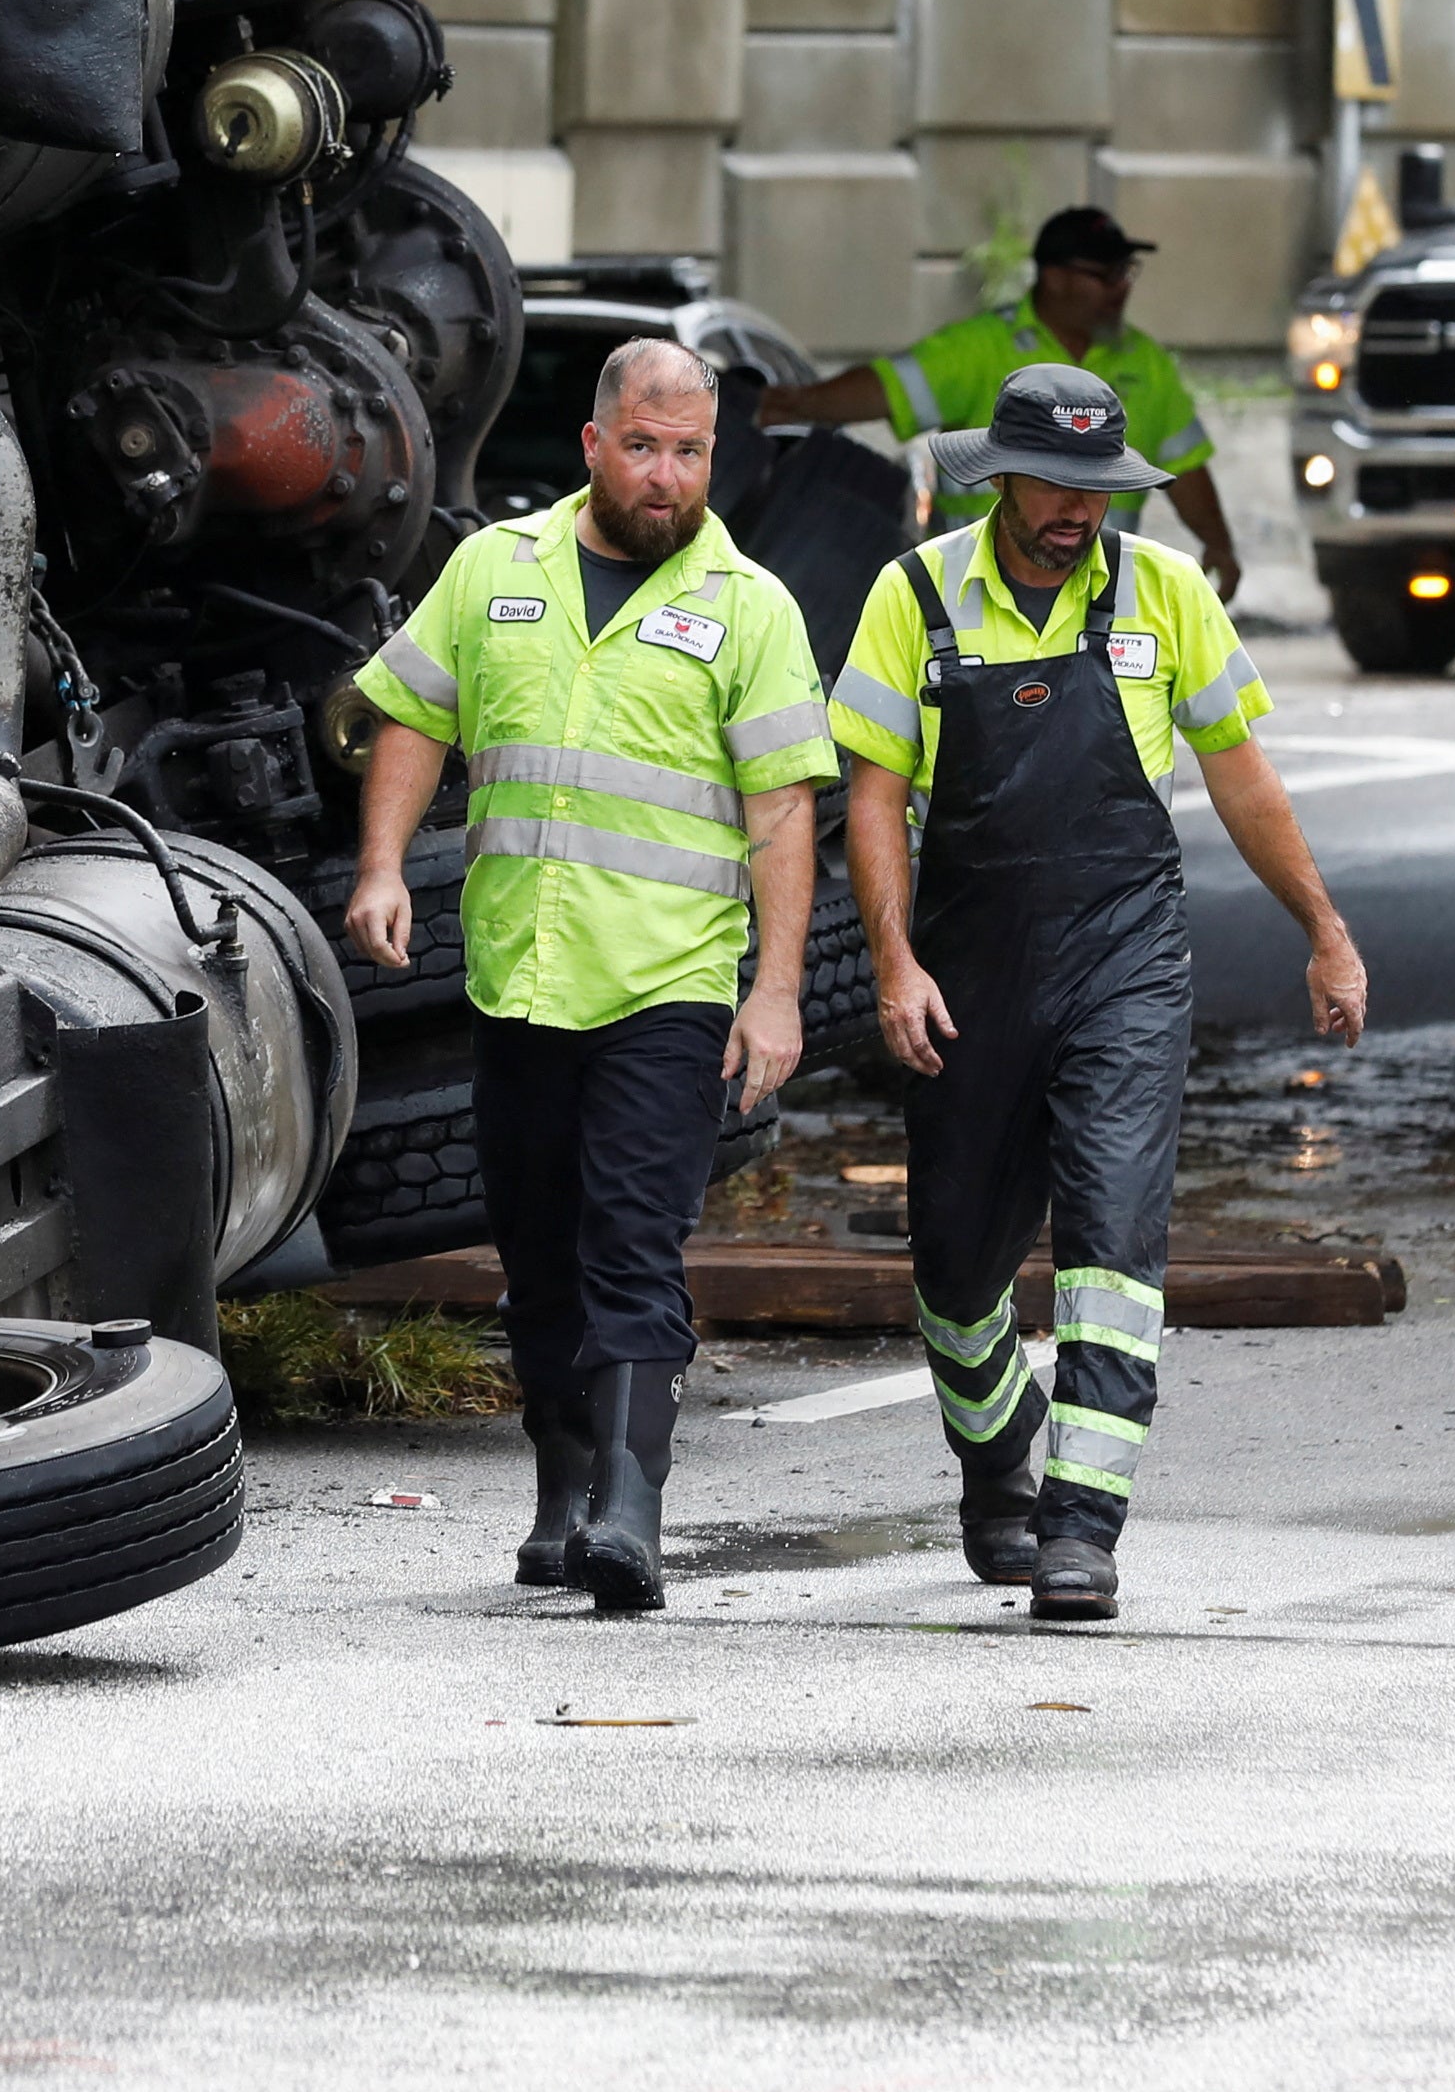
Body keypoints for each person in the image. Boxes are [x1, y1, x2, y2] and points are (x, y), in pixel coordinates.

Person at [828, 362, 1370, 1627]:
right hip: (967, 968)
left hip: (1125, 956)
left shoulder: (1162, 591)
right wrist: (894, 963)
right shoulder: (912, 597)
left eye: (1099, 488)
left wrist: (1325, 931)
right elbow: (867, 801)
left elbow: (1242, 779)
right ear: (1000, 477)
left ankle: (1079, 1530)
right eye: (1056, 486)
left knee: (1111, 1244)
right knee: (956, 1273)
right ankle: (997, 1455)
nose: (1078, 510)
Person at [348, 337, 833, 1617]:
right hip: (520, 976)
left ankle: (630, 1508)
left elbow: (783, 812)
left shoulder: (750, 607)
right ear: (594, 446)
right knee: (539, 1245)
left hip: (668, 986)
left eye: (690, 452)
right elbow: (415, 715)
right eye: (644, 448)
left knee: (631, 1242)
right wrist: (383, 863)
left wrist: (773, 988)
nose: (667, 476)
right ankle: (561, 1486)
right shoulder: (492, 569)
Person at [753, 205, 1241, 592]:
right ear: (1055, 277)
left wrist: (1218, 544)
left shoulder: (1146, 364)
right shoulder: (981, 348)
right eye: (1106, 274)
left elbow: (1187, 471)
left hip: (1095, 592)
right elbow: (883, 389)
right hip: (971, 588)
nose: (1121, 288)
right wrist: (793, 404)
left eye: (1127, 272)